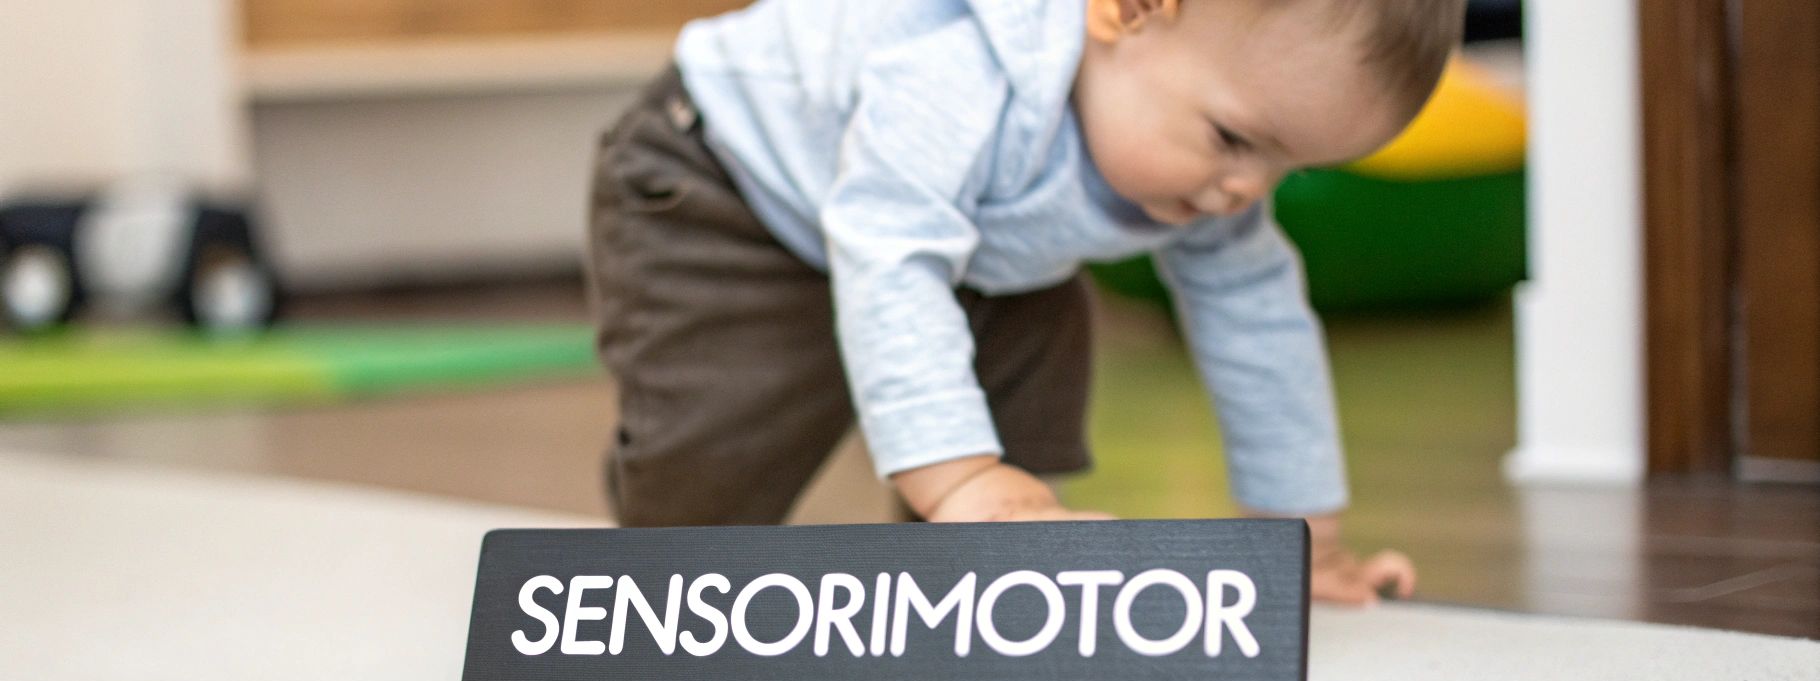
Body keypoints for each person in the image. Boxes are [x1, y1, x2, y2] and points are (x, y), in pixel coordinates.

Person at [588, 0, 1459, 605]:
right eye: (1233, 141)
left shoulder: (1206, 170)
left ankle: (968, 578)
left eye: (1286, 166)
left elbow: (1260, 321)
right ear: (1126, 12)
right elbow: (888, 248)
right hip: (728, 187)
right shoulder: (964, 65)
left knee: (1038, 330)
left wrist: (1300, 530)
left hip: (966, 239)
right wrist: (957, 472)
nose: (1243, 190)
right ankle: (663, 571)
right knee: (721, 437)